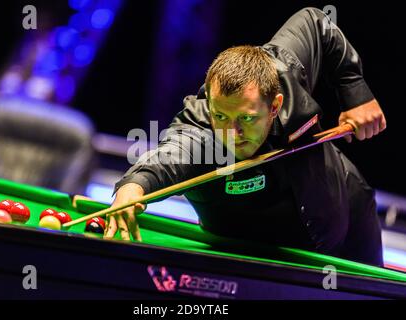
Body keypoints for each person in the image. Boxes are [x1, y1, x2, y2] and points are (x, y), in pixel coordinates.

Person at [107, 7, 386, 267]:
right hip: (256, 258)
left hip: (347, 212)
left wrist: (356, 92)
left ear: (275, 105)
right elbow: (170, 157)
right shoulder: (199, 131)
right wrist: (134, 186)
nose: (232, 132)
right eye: (221, 116)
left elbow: (316, 21)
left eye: (247, 118)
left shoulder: (284, 72)